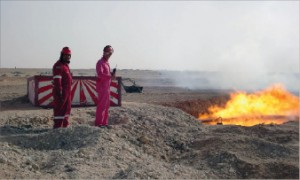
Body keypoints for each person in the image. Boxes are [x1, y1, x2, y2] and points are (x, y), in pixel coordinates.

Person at [95, 45, 116, 128]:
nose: (109, 55)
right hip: (102, 88)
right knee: (102, 106)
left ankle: (104, 123)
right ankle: (99, 123)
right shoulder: (100, 62)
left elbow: (106, 74)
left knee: (106, 106)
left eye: (110, 53)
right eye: (108, 53)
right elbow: (100, 74)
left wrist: (111, 75)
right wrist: (110, 76)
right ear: (104, 52)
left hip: (106, 87)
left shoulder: (106, 63)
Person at [52, 47, 73, 129]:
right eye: (66, 55)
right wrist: (60, 93)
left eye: (69, 55)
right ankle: (57, 129)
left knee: (67, 110)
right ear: (62, 55)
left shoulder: (66, 66)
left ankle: (65, 127)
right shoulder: (58, 66)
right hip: (61, 93)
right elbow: (57, 81)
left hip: (67, 92)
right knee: (59, 111)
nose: (67, 57)